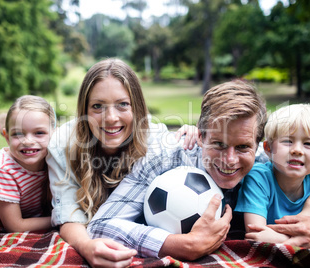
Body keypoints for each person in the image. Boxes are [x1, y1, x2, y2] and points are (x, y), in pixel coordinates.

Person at [88, 80, 310, 261]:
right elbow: (100, 226)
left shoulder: (266, 163)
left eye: (242, 147)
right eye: (218, 144)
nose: (229, 160)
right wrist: (174, 244)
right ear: (200, 136)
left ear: (260, 145)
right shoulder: (163, 159)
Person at [46, 58, 198, 268]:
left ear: (137, 108)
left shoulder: (155, 139)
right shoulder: (62, 143)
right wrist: (86, 246)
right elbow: (69, 215)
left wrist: (193, 138)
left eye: (122, 104)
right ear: (84, 110)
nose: (110, 118)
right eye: (97, 106)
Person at [235, 104, 310, 244]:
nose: (297, 150)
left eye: (308, 144)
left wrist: (279, 238)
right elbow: (255, 233)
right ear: (268, 149)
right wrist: (306, 216)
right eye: (287, 141)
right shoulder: (258, 178)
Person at [0, 95, 55, 232]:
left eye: (39, 133)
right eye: (18, 134)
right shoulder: (2, 170)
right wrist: (63, 218)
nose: (28, 141)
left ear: (54, 134)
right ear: (6, 137)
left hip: (36, 208)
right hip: (11, 215)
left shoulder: (54, 155)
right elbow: (15, 226)